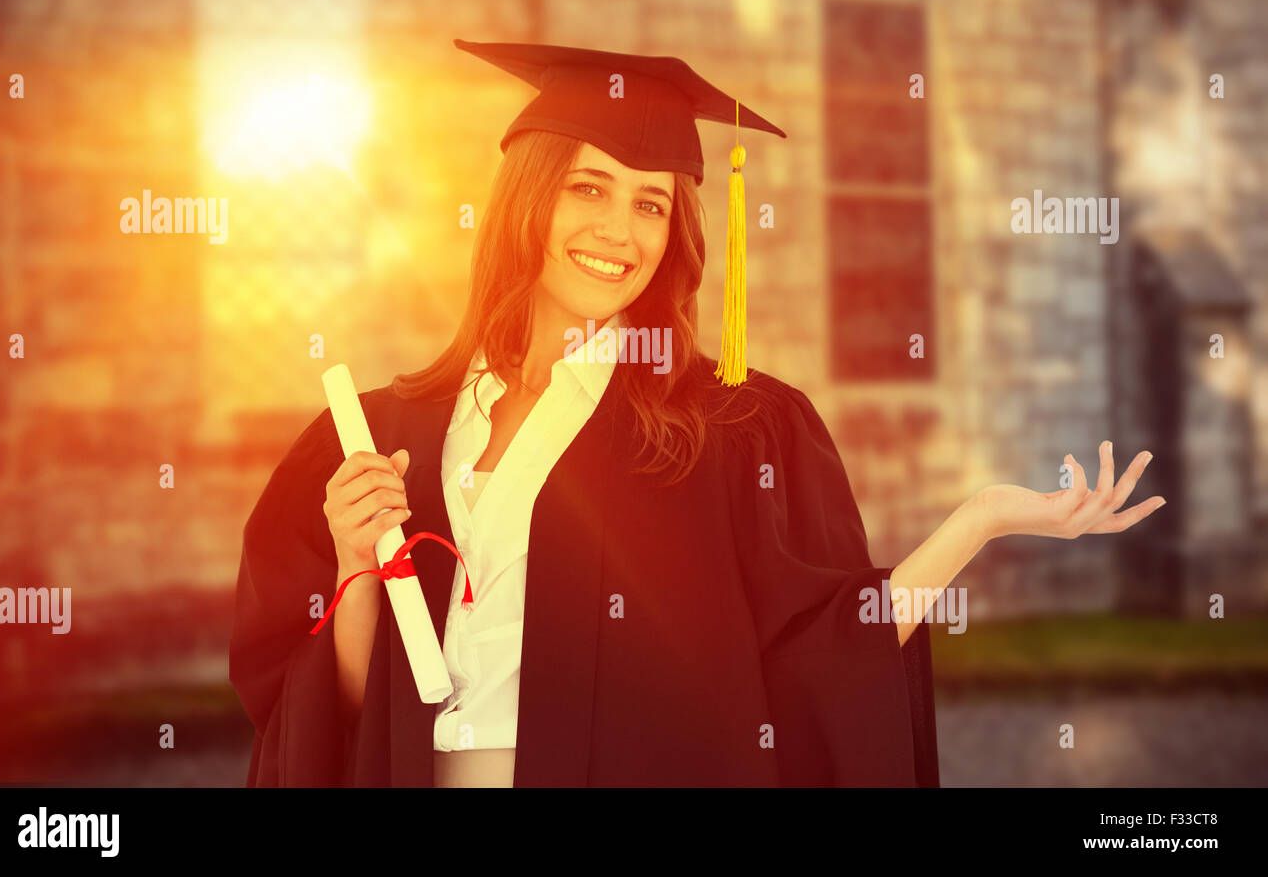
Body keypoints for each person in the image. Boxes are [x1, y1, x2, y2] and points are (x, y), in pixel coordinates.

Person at [229, 40, 1164, 787]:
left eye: (651, 204)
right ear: (525, 198)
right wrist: (357, 566)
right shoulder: (385, 431)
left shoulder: (733, 429)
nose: (619, 231)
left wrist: (983, 518)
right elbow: (329, 720)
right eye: (587, 188)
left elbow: (824, 657)